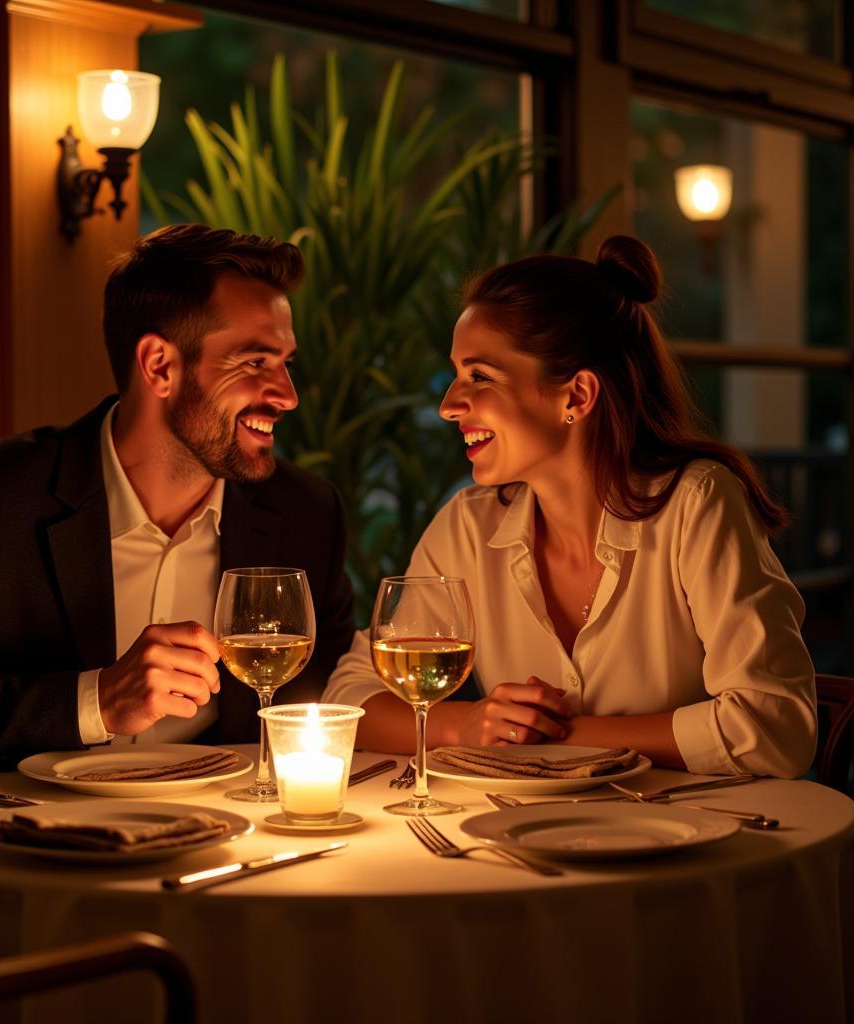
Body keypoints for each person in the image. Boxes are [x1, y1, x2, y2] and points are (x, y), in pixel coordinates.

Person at [0, 224, 354, 786]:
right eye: (256, 363)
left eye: (287, 362)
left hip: (231, 854)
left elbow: (336, 706)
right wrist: (97, 701)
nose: (287, 394)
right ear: (159, 365)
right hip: (34, 856)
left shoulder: (308, 514)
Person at [324, 235, 816, 778]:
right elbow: (351, 696)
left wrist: (557, 735)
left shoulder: (697, 505)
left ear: (576, 396)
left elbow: (775, 728)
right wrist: (463, 726)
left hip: (694, 847)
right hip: (521, 843)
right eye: (458, 375)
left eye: (479, 377)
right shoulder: (468, 526)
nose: (448, 406)